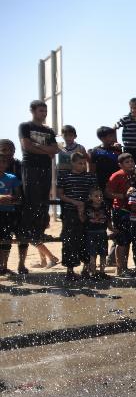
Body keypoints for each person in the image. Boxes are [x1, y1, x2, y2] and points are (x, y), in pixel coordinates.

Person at [18, 100, 60, 272]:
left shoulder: (48, 130)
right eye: (41, 110)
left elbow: (56, 149)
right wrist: (46, 149)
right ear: (33, 111)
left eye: (45, 111)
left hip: (45, 169)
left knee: (43, 200)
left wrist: (41, 148)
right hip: (30, 167)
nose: (44, 113)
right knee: (32, 198)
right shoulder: (25, 126)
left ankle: (39, 230)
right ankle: (29, 230)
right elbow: (26, 146)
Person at [57, 152, 96, 281]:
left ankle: (85, 269)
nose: (82, 166)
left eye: (84, 163)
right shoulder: (65, 176)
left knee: (87, 239)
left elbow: (94, 193)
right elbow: (60, 194)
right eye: (80, 163)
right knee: (70, 241)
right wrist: (76, 203)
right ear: (72, 163)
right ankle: (70, 270)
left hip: (87, 212)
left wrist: (84, 206)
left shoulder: (89, 177)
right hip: (69, 213)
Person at [105, 153, 136, 276]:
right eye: (127, 162)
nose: (130, 163)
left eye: (131, 161)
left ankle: (125, 267)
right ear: (120, 165)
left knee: (128, 240)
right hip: (120, 210)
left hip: (131, 211)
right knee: (121, 241)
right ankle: (119, 268)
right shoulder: (117, 175)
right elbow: (107, 193)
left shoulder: (134, 175)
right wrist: (123, 196)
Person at [0, 149, 22, 277]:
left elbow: (19, 197)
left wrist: (11, 200)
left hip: (8, 213)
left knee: (7, 240)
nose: (2, 164)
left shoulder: (12, 178)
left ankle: (4, 267)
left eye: (4, 162)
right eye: (0, 161)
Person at [83, 187, 112, 279]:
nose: (99, 198)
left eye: (100, 196)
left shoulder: (105, 206)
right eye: (96, 196)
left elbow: (108, 220)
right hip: (90, 233)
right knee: (92, 255)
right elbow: (83, 220)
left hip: (102, 233)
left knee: (103, 254)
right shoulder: (87, 207)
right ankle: (94, 273)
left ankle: (102, 272)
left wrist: (112, 229)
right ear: (90, 197)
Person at [115, 97, 136, 169]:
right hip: (129, 149)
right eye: (131, 108)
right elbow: (114, 128)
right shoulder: (125, 118)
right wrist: (115, 142)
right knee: (128, 170)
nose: (133, 110)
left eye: (135, 108)